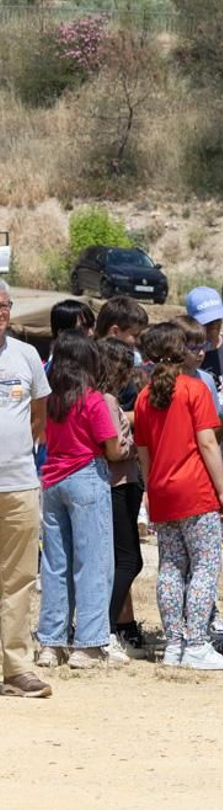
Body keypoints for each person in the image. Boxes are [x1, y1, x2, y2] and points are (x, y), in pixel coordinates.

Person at [133, 323, 223, 670]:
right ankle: (197, 643)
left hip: (161, 489)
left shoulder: (146, 396)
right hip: (194, 489)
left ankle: (175, 643)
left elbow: (143, 452)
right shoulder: (193, 388)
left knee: (171, 568)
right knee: (205, 567)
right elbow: (208, 443)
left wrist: (150, 489)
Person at [37, 330, 127, 670]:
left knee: (55, 565)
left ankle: (51, 642)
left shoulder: (52, 400)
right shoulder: (92, 398)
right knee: (93, 562)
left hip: (53, 479)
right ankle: (88, 646)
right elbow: (113, 447)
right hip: (87, 476)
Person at [0, 282, 51, 697]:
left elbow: (40, 413)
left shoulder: (27, 355)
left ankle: (16, 669)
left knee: (18, 579)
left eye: (4, 305)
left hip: (18, 484)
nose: (0, 311)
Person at [96, 337, 145, 662]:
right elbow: (114, 449)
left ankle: (105, 627)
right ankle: (105, 630)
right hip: (120, 482)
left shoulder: (91, 396)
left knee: (117, 560)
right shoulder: (108, 400)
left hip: (112, 484)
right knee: (129, 561)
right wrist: (133, 443)